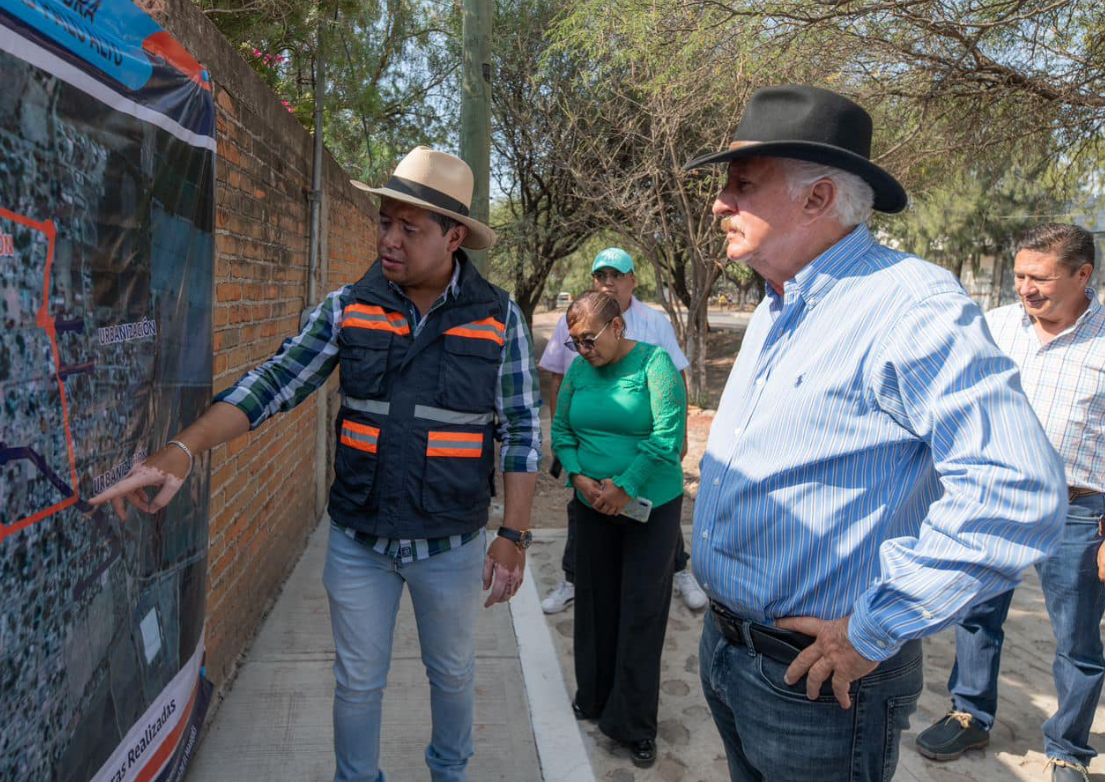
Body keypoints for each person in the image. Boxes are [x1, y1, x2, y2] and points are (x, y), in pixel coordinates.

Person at [91, 147, 542, 782]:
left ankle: (450, 772)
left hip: (451, 541)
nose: (388, 240)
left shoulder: (498, 319)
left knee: (453, 673)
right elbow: (275, 381)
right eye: (384, 221)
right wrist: (183, 449)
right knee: (357, 683)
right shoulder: (348, 307)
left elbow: (522, 429)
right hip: (359, 538)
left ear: (454, 237)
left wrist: (513, 536)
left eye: (409, 229)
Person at [683, 85, 1066, 782]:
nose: (720, 202)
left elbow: (1017, 489)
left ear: (817, 198)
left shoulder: (910, 306)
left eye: (743, 184)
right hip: (732, 653)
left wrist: (873, 628)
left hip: (821, 686)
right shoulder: (779, 300)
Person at [915, 223, 1105, 781]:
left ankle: (1068, 749)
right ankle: (970, 714)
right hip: (993, 499)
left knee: (1076, 639)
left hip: (1077, 511)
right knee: (978, 616)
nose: (1027, 288)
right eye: (1021, 276)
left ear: (1084, 275)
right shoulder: (997, 325)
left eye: (1041, 278)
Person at [550, 290, 687, 769]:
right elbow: (562, 431)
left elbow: (668, 436)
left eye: (590, 339)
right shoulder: (578, 374)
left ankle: (634, 725)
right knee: (594, 601)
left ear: (617, 327)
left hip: (649, 507)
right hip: (592, 504)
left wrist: (625, 487)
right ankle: (593, 696)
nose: (584, 351)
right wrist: (578, 476)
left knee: (641, 613)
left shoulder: (655, 365)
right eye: (575, 343)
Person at [537, 248, 707, 614]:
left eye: (617, 275)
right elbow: (558, 378)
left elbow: (675, 376)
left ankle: (678, 570)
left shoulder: (654, 324)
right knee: (582, 526)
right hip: (591, 458)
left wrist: (682, 437)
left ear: (633, 280)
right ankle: (572, 579)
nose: (609, 282)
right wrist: (566, 453)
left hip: (647, 465)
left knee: (656, 525)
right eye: (601, 276)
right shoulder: (577, 321)